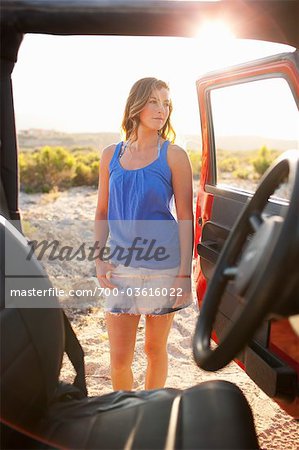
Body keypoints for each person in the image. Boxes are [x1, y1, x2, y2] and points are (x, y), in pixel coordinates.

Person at [94, 77, 194, 391]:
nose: (161, 109)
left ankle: (153, 414)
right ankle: (123, 414)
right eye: (154, 101)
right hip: (121, 266)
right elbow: (101, 212)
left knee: (154, 349)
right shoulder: (111, 155)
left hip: (163, 267)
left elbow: (185, 217)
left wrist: (183, 274)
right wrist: (99, 260)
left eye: (166, 103)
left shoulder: (174, 156)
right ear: (136, 105)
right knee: (119, 357)